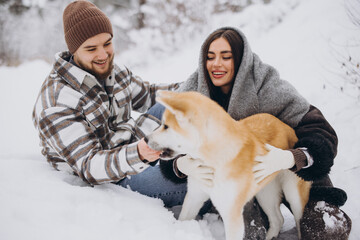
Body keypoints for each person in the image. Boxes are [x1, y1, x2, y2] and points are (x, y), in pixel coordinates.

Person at [150, 27, 352, 239]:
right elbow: (173, 142)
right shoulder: (191, 94)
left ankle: (319, 210)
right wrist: (179, 165)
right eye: (210, 57)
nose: (216, 64)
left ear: (241, 59)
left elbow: (320, 130)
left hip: (294, 166)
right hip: (244, 181)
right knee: (249, 232)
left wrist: (290, 157)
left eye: (226, 57)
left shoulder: (268, 86)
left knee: (325, 231)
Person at [32, 0, 191, 209]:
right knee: (195, 184)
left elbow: (150, 95)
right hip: (108, 181)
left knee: (189, 99)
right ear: (74, 50)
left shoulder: (112, 71)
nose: (103, 55)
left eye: (107, 43)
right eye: (91, 49)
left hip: (137, 150)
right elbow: (90, 165)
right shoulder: (55, 103)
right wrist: (140, 153)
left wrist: (198, 84)